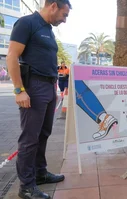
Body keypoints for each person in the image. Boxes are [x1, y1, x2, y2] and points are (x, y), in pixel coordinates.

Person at [6, 0, 72, 198]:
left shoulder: (49, 30)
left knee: (43, 133)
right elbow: (11, 56)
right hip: (33, 87)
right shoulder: (27, 23)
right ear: (53, 6)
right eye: (64, 14)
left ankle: (40, 173)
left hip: (49, 86)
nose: (65, 20)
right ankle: (26, 186)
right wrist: (19, 90)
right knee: (29, 139)